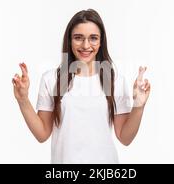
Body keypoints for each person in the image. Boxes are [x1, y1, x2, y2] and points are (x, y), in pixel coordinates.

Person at [12, 9, 151, 164]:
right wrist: (23, 99)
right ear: (69, 40)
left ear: (101, 41)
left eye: (93, 38)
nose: (86, 45)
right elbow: (42, 134)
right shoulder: (51, 79)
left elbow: (125, 138)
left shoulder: (115, 80)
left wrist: (139, 106)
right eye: (78, 38)